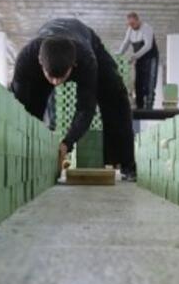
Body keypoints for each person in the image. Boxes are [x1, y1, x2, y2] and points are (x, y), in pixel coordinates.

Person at [10, 18, 137, 180]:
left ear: (73, 65)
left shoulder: (86, 59)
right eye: (51, 77)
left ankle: (126, 164)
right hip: (43, 55)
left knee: (115, 95)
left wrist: (67, 143)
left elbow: (85, 108)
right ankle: (28, 159)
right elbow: (19, 106)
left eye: (61, 77)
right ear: (40, 62)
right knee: (31, 108)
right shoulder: (26, 59)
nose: (56, 83)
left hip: (85, 39)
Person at [117, 12, 159, 110]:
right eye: (129, 24)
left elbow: (148, 46)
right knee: (138, 83)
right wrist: (118, 54)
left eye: (133, 24)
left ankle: (149, 106)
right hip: (140, 58)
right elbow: (125, 43)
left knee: (149, 82)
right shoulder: (130, 30)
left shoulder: (147, 28)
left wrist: (135, 56)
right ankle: (140, 106)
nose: (131, 26)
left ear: (138, 20)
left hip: (151, 58)